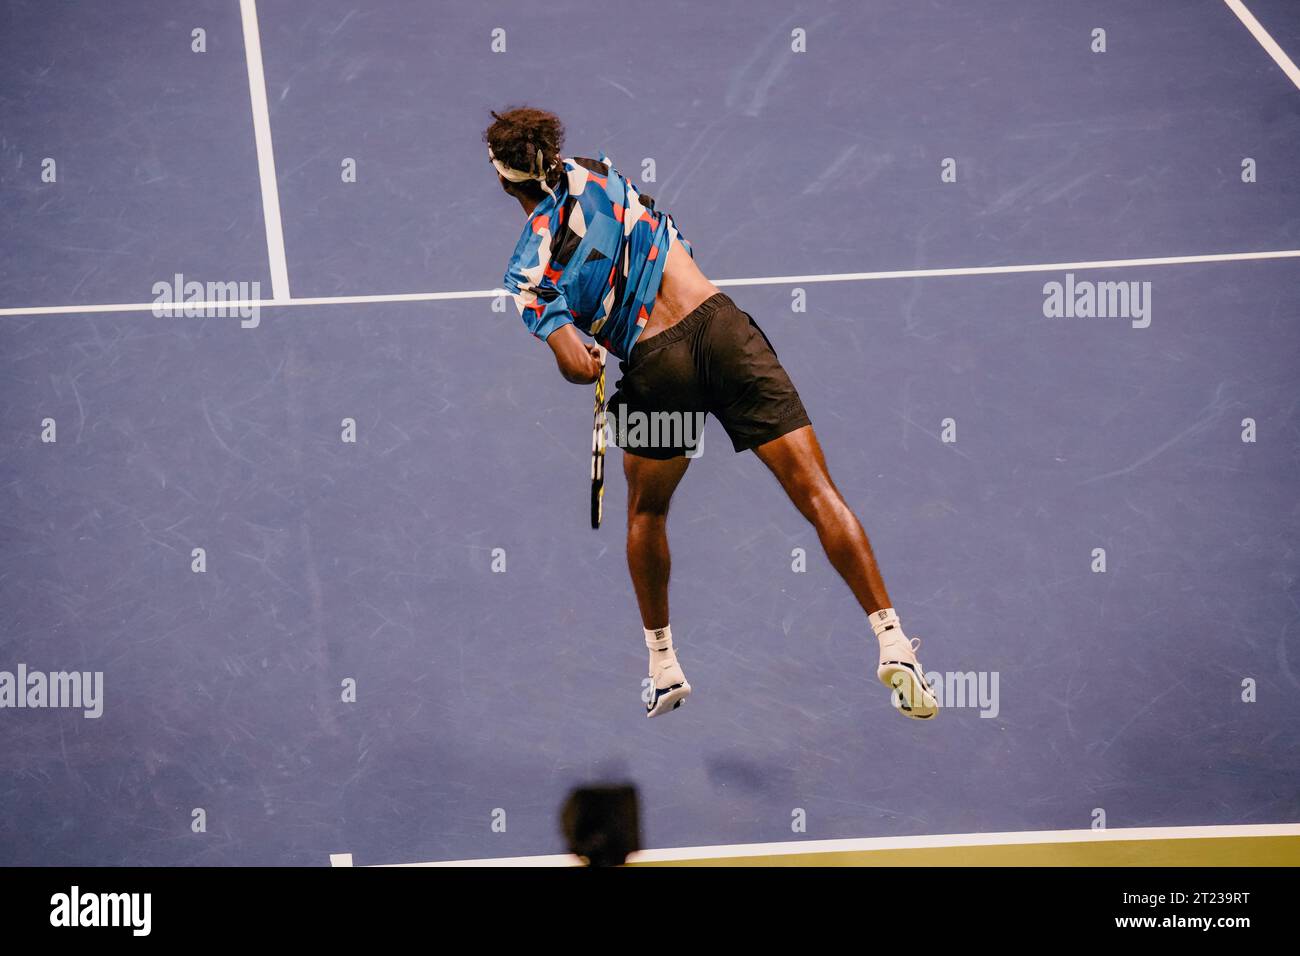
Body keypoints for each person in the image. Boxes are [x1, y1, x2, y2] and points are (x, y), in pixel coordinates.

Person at [486, 106, 938, 720]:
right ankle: (892, 641)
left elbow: (575, 365)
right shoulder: (599, 173)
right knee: (817, 492)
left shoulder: (528, 271)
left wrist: (587, 359)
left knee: (648, 512)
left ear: (503, 180)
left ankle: (664, 667)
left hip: (657, 369)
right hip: (724, 332)